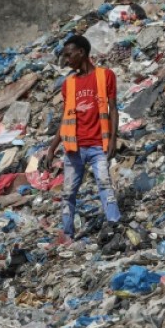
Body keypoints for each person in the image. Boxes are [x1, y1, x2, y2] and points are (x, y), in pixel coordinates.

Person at [44, 35, 121, 240]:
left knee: (105, 185)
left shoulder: (105, 76)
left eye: (69, 55)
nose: (66, 60)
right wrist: (52, 148)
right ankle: (67, 234)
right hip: (73, 149)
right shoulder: (68, 84)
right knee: (68, 193)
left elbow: (113, 109)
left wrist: (113, 139)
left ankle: (115, 225)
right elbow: (65, 118)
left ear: (82, 52)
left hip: (98, 145)